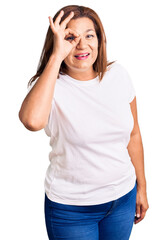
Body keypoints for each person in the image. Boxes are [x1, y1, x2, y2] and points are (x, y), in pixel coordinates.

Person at [18, 5, 149, 240]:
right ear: (57, 41)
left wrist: (142, 187)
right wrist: (57, 56)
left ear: (100, 39)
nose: (81, 45)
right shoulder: (49, 85)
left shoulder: (118, 75)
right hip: (72, 210)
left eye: (89, 35)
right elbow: (32, 121)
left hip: (122, 200)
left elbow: (133, 135)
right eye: (70, 37)